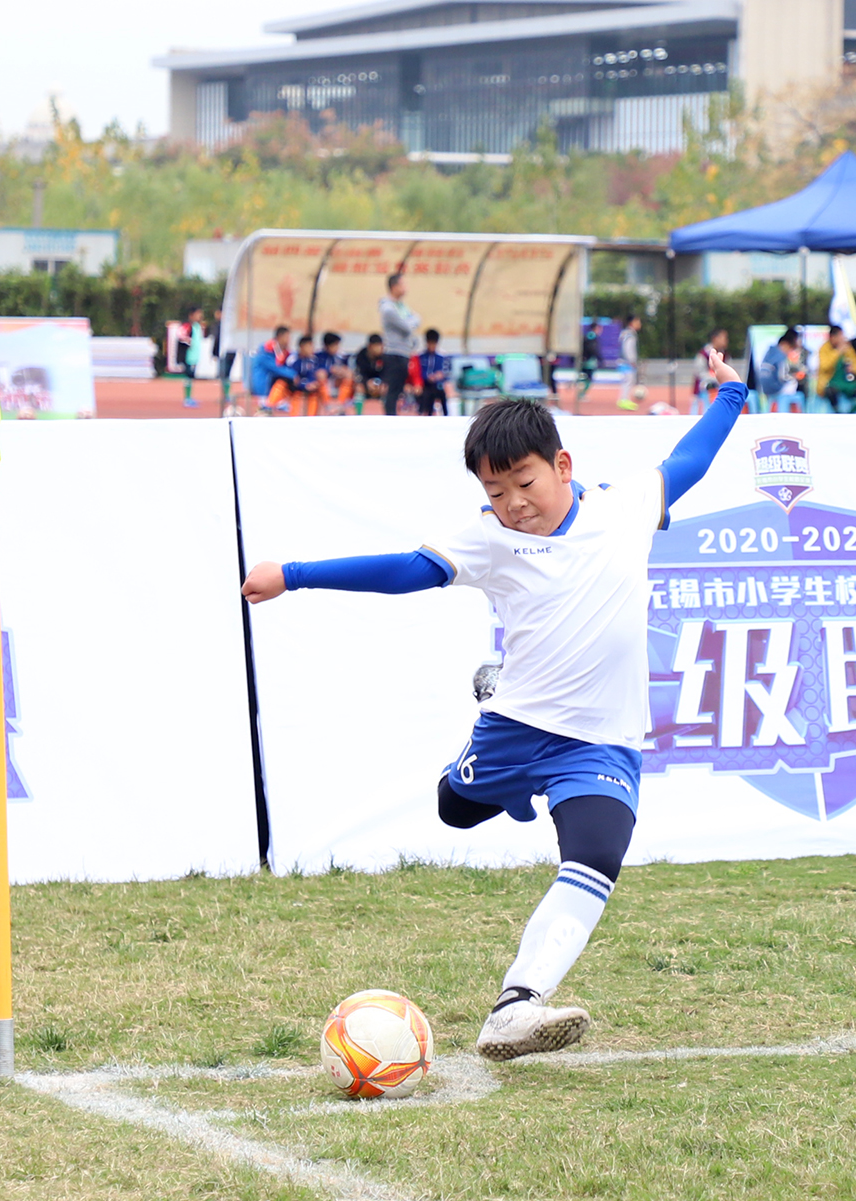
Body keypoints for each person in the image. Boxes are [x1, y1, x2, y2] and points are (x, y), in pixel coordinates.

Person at [240, 352, 752, 1060]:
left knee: (598, 852)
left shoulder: (624, 508)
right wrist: (293, 576)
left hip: (602, 741)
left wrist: (729, 392)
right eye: (494, 488)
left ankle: (515, 1004)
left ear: (562, 466)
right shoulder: (488, 536)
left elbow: (690, 457)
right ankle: (498, 768)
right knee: (456, 807)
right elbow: (403, 572)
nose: (513, 501)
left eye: (524, 481)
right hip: (517, 727)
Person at [378, 272, 419, 416]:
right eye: (402, 284)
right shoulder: (388, 308)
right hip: (394, 353)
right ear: (394, 287)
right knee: (393, 389)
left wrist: (412, 320)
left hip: (404, 352)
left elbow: (416, 318)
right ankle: (389, 416)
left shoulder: (401, 306)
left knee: (399, 388)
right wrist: (412, 320)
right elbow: (408, 326)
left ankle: (393, 414)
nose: (405, 287)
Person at [814, 325, 856, 413]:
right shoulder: (824, 349)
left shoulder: (847, 348)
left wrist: (852, 368)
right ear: (832, 337)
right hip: (829, 382)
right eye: (840, 336)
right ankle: (837, 412)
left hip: (846, 382)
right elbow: (825, 366)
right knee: (831, 392)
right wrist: (837, 352)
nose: (843, 339)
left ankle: (851, 412)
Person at [248, 325, 298, 415]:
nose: (289, 340)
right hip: (262, 386)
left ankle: (276, 403)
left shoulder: (281, 351)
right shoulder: (266, 350)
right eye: (287, 337)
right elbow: (276, 368)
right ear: (279, 337)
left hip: (270, 384)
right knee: (284, 382)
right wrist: (294, 375)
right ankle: (268, 404)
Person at [758, 329, 804, 413]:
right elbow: (782, 377)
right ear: (784, 344)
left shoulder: (770, 352)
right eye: (790, 348)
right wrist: (794, 377)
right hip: (776, 388)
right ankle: (786, 411)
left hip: (765, 388)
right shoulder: (780, 356)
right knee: (793, 383)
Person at [313, 332, 353, 413]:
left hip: (336, 381)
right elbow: (314, 370)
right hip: (323, 382)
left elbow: (347, 367)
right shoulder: (318, 356)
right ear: (327, 346)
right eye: (335, 345)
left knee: (349, 374)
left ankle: (340, 403)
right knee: (321, 374)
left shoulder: (341, 356)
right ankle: (327, 404)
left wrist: (341, 370)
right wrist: (330, 370)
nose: (337, 347)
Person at [176, 306, 207, 409]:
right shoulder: (187, 326)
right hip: (188, 356)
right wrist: (188, 341)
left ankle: (190, 397)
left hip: (195, 356)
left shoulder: (198, 326)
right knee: (188, 377)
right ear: (191, 315)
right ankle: (187, 398)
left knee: (191, 377)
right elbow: (180, 336)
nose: (200, 316)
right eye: (198, 314)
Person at [416, 328, 451, 416]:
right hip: (425, 385)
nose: (432, 346)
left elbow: (446, 372)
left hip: (438, 384)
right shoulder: (421, 357)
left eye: (433, 344)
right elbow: (419, 371)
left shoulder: (442, 357)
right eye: (430, 343)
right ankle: (425, 412)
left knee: (440, 391)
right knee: (427, 393)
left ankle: (446, 414)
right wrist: (427, 377)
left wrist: (440, 376)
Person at [695, 328, 729, 413]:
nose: (726, 341)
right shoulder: (704, 354)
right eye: (723, 338)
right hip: (704, 389)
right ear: (715, 338)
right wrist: (715, 379)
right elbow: (700, 372)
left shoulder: (726, 354)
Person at [290, 334, 323, 417]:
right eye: (309, 346)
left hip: (310, 386)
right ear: (302, 347)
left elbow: (313, 374)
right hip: (295, 388)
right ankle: (293, 417)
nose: (312, 349)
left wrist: (313, 383)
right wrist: (304, 385)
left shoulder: (313, 360)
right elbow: (293, 377)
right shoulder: (293, 359)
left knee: (317, 390)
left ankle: (313, 417)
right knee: (296, 394)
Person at [354, 335, 388, 414]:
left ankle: (387, 414)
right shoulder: (361, 356)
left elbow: (387, 374)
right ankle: (358, 414)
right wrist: (366, 383)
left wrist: (380, 383)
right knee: (359, 388)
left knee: (386, 388)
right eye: (377, 346)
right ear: (370, 346)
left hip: (379, 384)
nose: (380, 349)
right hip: (366, 384)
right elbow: (358, 373)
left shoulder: (385, 357)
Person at [616, 315, 643, 411]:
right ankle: (624, 400)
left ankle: (624, 399)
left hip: (623, 361)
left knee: (627, 381)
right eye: (637, 321)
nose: (639, 324)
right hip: (627, 363)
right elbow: (628, 348)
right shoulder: (630, 334)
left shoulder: (624, 333)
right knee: (628, 381)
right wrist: (632, 360)